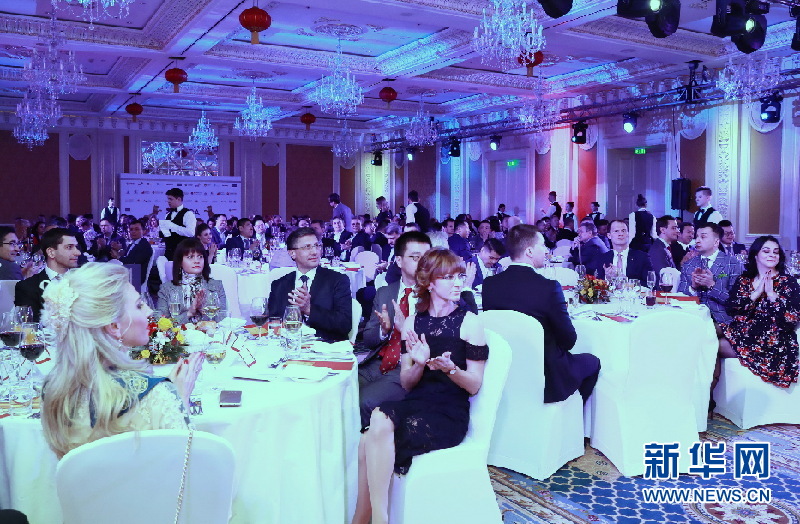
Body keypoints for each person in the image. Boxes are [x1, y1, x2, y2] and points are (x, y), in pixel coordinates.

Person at [351, 249, 487, 524]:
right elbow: (407, 382)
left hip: (449, 412)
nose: (458, 283)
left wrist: (450, 369)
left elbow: (474, 386)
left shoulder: (470, 323)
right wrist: (420, 364)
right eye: (448, 277)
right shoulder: (414, 322)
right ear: (429, 282)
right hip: (416, 403)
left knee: (369, 436)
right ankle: (371, 517)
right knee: (371, 430)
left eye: (459, 276)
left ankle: (368, 518)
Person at [40, 262, 203, 459]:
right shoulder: (156, 394)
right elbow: (186, 465)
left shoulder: (54, 390)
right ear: (114, 326)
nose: (149, 312)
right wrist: (178, 399)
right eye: (139, 305)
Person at [482, 224, 600, 403]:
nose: (546, 251)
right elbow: (569, 341)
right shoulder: (548, 287)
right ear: (529, 251)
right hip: (545, 378)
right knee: (593, 362)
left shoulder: (489, 285)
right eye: (543, 245)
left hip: (504, 372)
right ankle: (573, 414)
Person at [718, 236, 800, 390]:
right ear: (755, 255)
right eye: (766, 251)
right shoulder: (745, 279)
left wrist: (772, 295)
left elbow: (791, 320)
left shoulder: (788, 282)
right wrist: (755, 294)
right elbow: (731, 309)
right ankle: (706, 396)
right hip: (743, 332)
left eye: (776, 252)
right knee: (707, 330)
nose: (772, 255)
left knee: (711, 345)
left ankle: (708, 398)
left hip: (772, 341)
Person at [268, 227, 352, 341]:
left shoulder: (338, 280)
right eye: (307, 247)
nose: (314, 252)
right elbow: (273, 322)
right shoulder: (279, 285)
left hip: (325, 346)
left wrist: (309, 309)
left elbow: (344, 324)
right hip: (287, 345)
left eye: (317, 246)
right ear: (292, 253)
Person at [677, 224, 742, 324]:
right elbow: (681, 299)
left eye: (703, 237)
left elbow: (736, 302)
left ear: (716, 242)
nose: (697, 240)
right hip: (693, 318)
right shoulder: (689, 265)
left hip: (722, 320)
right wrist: (693, 288)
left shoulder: (733, 264)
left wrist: (712, 285)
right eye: (697, 236)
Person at [155, 238, 226, 324]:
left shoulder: (216, 285)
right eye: (190, 257)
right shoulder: (167, 289)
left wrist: (202, 311)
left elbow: (222, 319)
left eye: (200, 256)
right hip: (180, 332)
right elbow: (160, 322)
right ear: (180, 262)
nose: (196, 261)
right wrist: (189, 313)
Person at [15, 228, 80, 322]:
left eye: (76, 247)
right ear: (51, 252)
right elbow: (28, 325)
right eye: (69, 247)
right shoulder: (27, 287)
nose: (78, 253)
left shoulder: (84, 282)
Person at [160, 188, 197, 261]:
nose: (168, 201)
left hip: (183, 253)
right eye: (168, 199)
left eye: (171, 199)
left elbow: (191, 232)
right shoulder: (167, 215)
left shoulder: (188, 214)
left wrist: (173, 226)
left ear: (179, 199)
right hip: (169, 252)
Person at [115, 220, 153, 287]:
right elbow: (128, 256)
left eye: (137, 229)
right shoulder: (133, 243)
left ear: (144, 231)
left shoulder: (144, 245)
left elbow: (132, 262)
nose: (133, 232)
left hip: (136, 277)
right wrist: (119, 250)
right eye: (131, 229)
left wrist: (118, 257)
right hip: (129, 271)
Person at [648, 215, 679, 286]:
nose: (677, 231)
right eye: (674, 228)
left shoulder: (663, 247)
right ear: (662, 230)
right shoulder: (657, 249)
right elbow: (665, 277)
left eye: (677, 228)